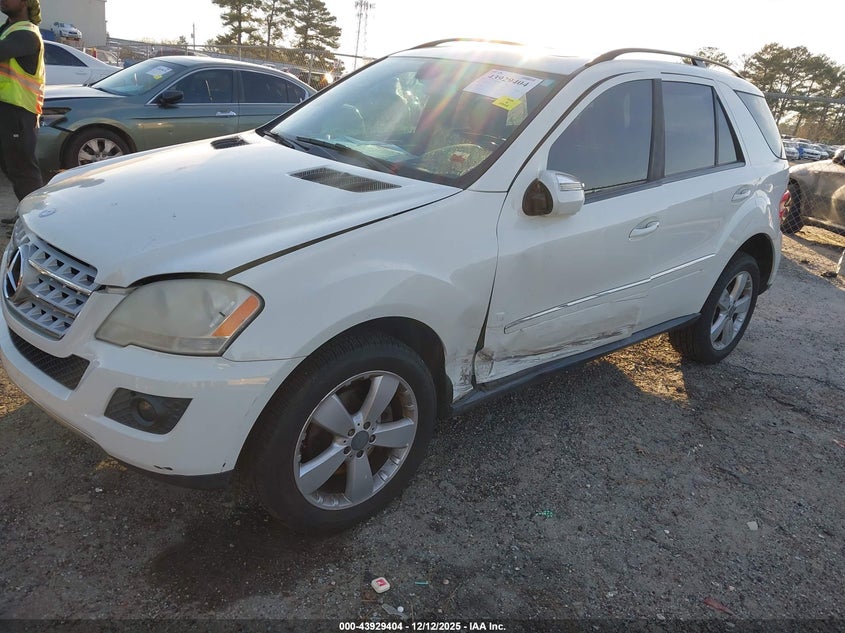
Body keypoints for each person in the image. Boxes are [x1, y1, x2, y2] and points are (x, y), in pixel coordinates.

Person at [0, 0, 45, 212]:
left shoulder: (27, 33)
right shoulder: (7, 29)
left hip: (18, 113)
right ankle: (25, 214)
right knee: (11, 167)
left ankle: (40, 218)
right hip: (7, 111)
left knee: (23, 173)